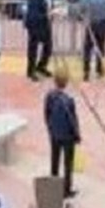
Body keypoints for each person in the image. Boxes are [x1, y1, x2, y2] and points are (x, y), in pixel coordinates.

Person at [43, 68, 81, 198]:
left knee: (54, 160)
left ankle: (53, 189)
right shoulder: (69, 100)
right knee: (68, 164)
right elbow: (73, 120)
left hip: (54, 134)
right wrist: (77, 135)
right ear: (66, 82)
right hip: (68, 137)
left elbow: (46, 114)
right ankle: (66, 190)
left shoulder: (49, 96)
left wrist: (50, 128)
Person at [24, 0, 54, 79]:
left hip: (45, 24)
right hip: (35, 25)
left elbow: (49, 6)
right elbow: (34, 13)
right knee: (33, 48)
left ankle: (41, 66)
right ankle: (30, 71)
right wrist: (47, 14)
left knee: (48, 47)